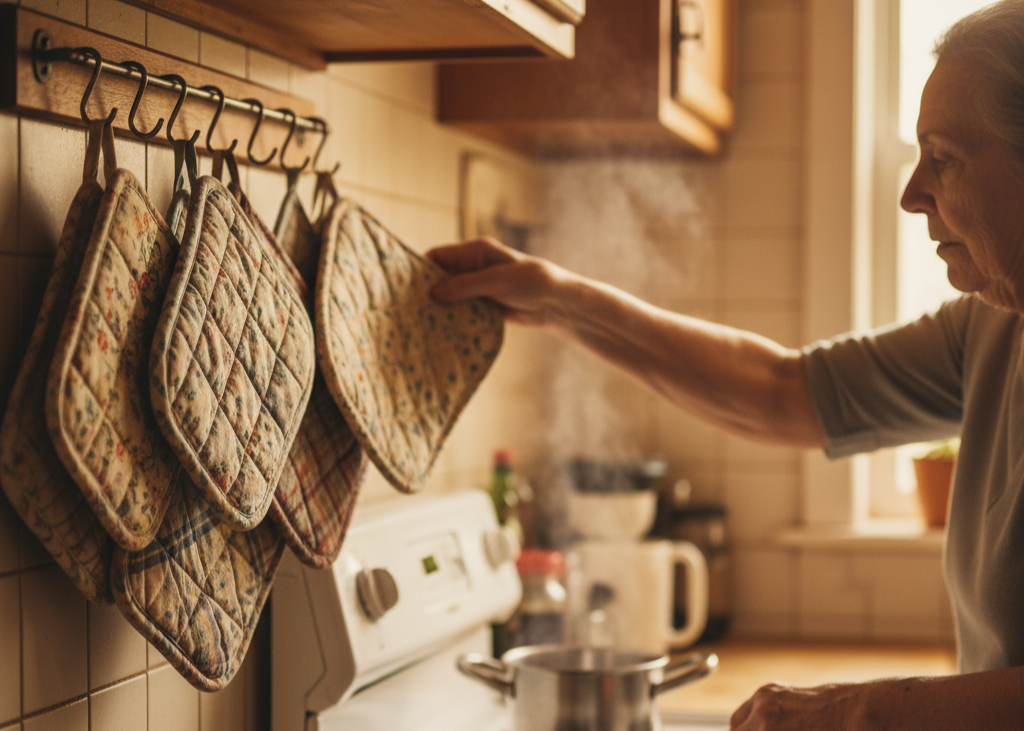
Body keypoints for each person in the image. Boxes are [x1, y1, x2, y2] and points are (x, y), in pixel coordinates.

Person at [426, 2, 1024, 729]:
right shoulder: (993, 324)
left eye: (945, 157)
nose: (910, 193)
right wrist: (560, 301)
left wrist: (857, 711)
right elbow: (781, 391)